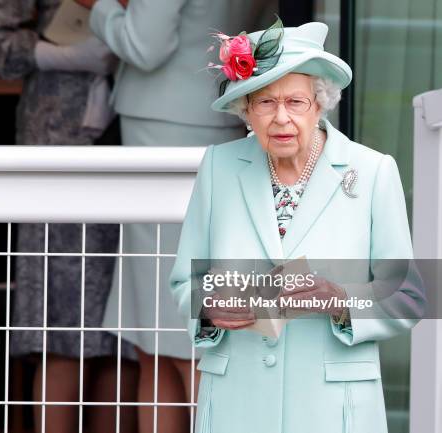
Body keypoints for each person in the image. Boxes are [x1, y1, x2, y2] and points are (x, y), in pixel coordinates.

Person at [169, 20, 425, 433]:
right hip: (238, 402)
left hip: (332, 408)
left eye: (295, 102)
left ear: (320, 103)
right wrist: (208, 309)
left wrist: (341, 299)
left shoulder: (372, 171)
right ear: (247, 109)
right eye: (266, 102)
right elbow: (186, 283)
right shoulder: (219, 167)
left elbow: (409, 296)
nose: (281, 118)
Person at [72, 0, 274, 431]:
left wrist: (100, 6)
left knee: (171, 322)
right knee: (177, 317)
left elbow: (145, 45)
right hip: (221, 111)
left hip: (163, 122)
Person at [0, 1, 138, 432]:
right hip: (60, 141)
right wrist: (58, 54)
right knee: (62, 321)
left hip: (144, 133)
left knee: (125, 331)